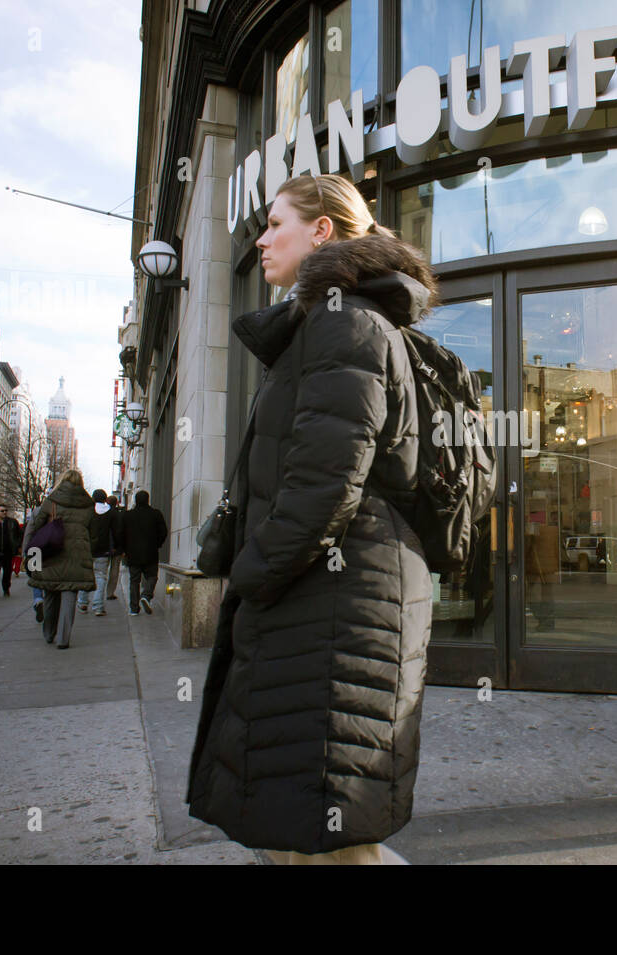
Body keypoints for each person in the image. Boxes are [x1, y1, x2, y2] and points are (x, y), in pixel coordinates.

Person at [187, 173, 434, 865]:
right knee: (304, 831)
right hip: (323, 606)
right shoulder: (326, 322)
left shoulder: (343, 323)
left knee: (331, 840)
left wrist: (251, 575)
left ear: (322, 231)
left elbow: (325, 485)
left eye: (274, 224)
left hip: (335, 611)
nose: (261, 240)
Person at [21, 469, 95, 649]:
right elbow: (91, 531)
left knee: (50, 594)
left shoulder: (51, 501)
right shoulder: (88, 505)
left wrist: (29, 557)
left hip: (52, 553)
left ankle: (48, 633)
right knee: (70, 596)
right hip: (77, 556)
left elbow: (36, 528)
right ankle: (63, 639)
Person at [121, 490, 167, 616]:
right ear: (148, 500)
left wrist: (124, 549)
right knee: (152, 576)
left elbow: (121, 534)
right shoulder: (156, 514)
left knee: (134, 581)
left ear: (136, 500)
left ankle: (134, 608)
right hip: (151, 552)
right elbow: (163, 532)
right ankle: (146, 595)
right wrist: (157, 544)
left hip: (133, 553)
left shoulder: (128, 515)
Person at [76, 489, 112, 616]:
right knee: (101, 577)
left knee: (85, 576)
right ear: (105, 499)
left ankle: (82, 602)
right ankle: (98, 606)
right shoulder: (110, 512)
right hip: (103, 551)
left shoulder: (87, 512)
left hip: (87, 549)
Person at [105, 494, 124, 600]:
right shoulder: (119, 514)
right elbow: (121, 531)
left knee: (102, 570)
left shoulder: (105, 514)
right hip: (118, 547)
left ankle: (99, 591)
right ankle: (110, 592)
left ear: (107, 502)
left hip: (106, 546)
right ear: (116, 503)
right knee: (114, 570)